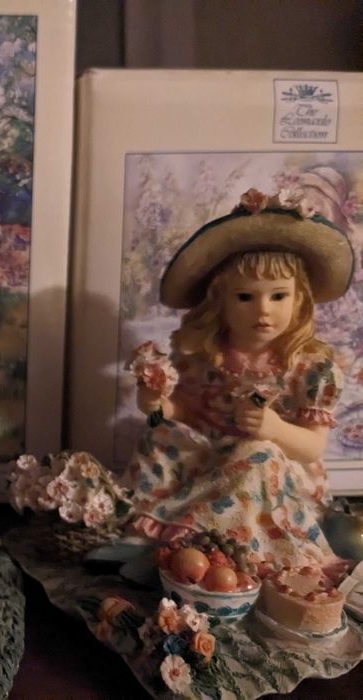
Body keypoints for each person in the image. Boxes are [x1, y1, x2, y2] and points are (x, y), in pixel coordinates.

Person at [123, 187, 355, 571]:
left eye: (278, 296)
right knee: (159, 436)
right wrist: (155, 405)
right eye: (245, 297)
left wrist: (275, 429)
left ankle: (195, 539)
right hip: (210, 460)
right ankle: (148, 535)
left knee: (256, 452)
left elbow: (312, 447)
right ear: (221, 302)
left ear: (299, 299)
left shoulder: (310, 368)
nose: (263, 310)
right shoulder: (209, 356)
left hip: (274, 472)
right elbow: (186, 415)